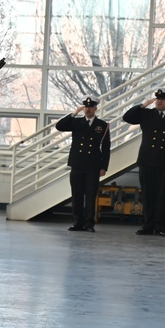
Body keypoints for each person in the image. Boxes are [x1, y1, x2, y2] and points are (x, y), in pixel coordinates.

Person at [122, 88, 165, 237]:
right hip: (147, 160)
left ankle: (160, 227)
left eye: (163, 99)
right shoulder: (146, 114)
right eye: (157, 99)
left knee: (162, 195)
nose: (159, 101)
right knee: (147, 195)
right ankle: (148, 225)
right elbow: (127, 117)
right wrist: (143, 105)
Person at [55, 97, 111, 232]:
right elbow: (59, 126)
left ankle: (89, 224)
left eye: (91, 107)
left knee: (91, 196)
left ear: (95, 108)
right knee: (77, 195)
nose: (88, 109)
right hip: (77, 164)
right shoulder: (76, 122)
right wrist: (74, 113)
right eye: (85, 107)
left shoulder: (102, 125)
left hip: (93, 165)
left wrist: (104, 167)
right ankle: (77, 223)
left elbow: (106, 147)